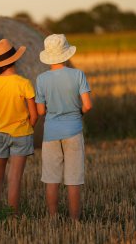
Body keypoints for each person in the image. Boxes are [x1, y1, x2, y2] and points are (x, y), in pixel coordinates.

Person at [35, 34, 92, 220]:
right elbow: (88, 105)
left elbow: (41, 111)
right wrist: (78, 114)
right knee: (73, 180)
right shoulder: (78, 75)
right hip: (74, 130)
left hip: (51, 132)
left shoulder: (41, 79)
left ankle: (53, 218)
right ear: (66, 54)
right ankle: (74, 220)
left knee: (52, 179)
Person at [0, 39, 38, 217]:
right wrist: (27, 128)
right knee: (14, 179)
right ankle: (13, 217)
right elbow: (34, 114)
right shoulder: (24, 83)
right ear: (15, 59)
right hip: (21, 134)